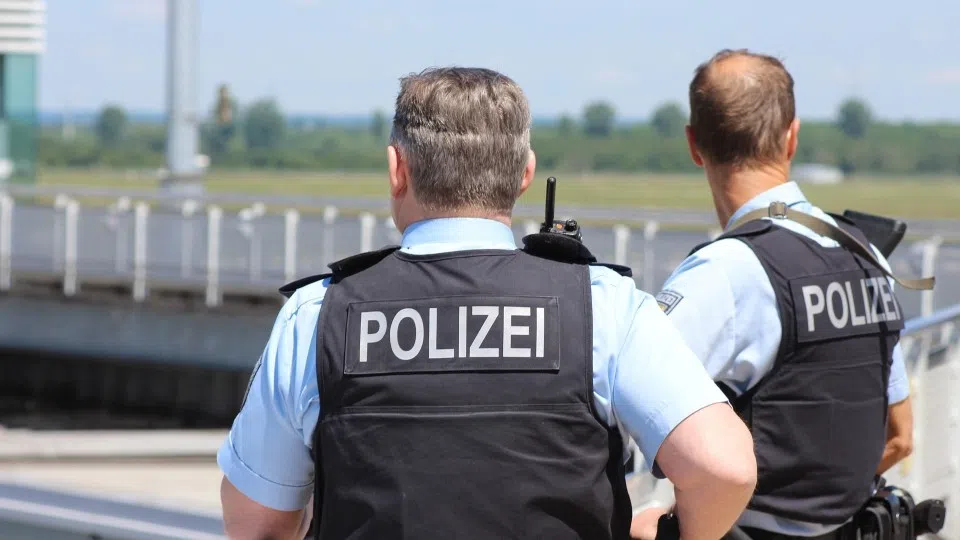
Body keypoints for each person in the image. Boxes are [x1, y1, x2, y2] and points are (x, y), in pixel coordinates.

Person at [216, 66, 757, 540]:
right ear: (525, 174)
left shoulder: (319, 316)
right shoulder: (602, 307)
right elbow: (725, 468)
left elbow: (258, 523)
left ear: (396, 169)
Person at [636, 49, 917, 539]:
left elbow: (619, 409)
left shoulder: (725, 272)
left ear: (694, 144)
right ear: (792, 137)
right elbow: (901, 437)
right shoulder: (867, 252)